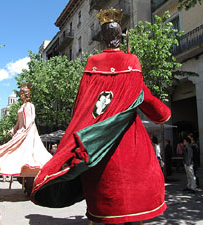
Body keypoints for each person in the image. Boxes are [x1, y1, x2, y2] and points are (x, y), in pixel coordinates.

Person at [31, 8, 171, 225]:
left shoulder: (92, 63)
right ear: (121, 36)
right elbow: (148, 100)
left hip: (99, 153)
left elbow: (81, 106)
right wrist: (163, 113)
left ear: (103, 38)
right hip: (131, 146)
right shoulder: (131, 61)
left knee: (105, 209)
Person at [0, 83, 52, 179]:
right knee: (12, 149)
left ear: (26, 94)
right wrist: (13, 129)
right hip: (21, 130)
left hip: (27, 131)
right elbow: (18, 121)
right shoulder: (21, 107)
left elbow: (31, 119)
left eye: (21, 93)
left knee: (27, 151)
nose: (20, 95)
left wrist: (25, 130)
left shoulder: (30, 105)